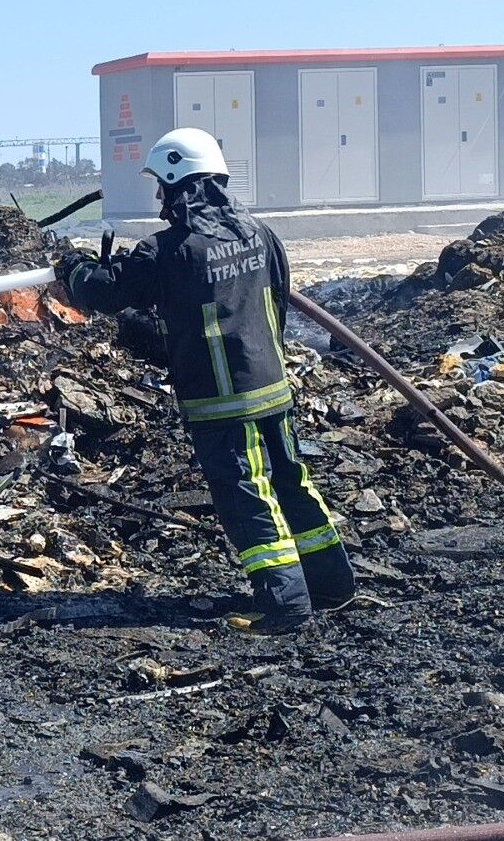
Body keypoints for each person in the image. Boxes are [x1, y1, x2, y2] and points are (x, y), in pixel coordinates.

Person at [54, 127, 355, 635]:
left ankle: (285, 606)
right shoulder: (258, 233)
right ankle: (331, 584)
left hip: (221, 401)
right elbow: (277, 301)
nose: (157, 197)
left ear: (178, 181)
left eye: (161, 185)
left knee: (246, 494)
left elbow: (106, 295)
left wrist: (74, 269)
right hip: (273, 387)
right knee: (289, 480)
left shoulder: (169, 250)